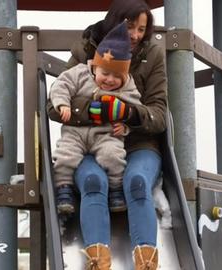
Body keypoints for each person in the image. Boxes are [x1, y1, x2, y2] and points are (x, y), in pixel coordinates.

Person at [48, 0, 167, 269]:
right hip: (91, 138)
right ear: (114, 22)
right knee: (92, 180)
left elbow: (158, 113)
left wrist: (128, 114)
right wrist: (96, 111)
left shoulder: (152, 55)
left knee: (136, 181)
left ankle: (146, 260)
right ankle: (97, 260)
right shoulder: (85, 50)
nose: (136, 35)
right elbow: (53, 105)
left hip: (137, 142)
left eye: (141, 29)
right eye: (129, 26)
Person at [50, 21, 142, 216]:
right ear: (96, 66)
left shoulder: (127, 86)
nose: (109, 80)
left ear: (125, 75)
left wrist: (125, 127)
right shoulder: (80, 73)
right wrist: (62, 104)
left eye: (117, 76)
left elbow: (135, 109)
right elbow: (61, 86)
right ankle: (63, 189)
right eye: (105, 73)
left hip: (105, 133)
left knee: (113, 155)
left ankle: (116, 190)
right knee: (66, 154)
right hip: (76, 132)